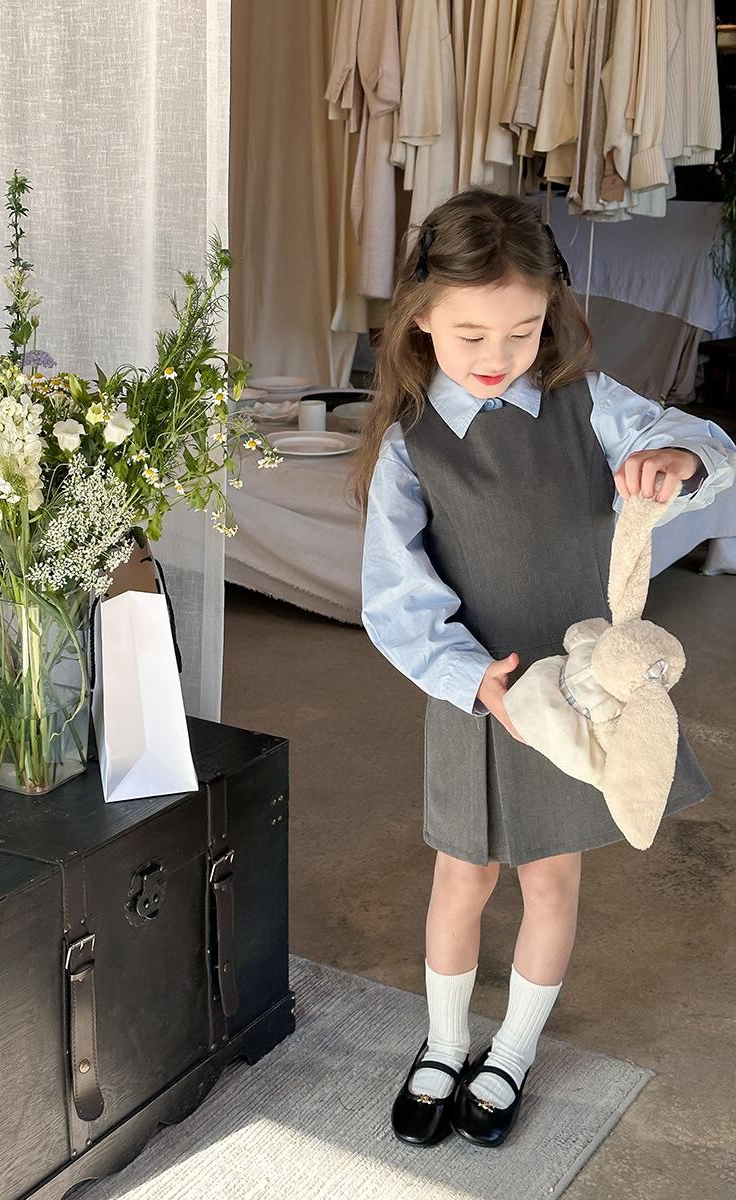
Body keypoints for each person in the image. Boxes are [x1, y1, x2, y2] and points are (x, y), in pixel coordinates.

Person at [350, 188, 736, 1149]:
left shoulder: (586, 403)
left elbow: (704, 444)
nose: (497, 355)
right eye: (471, 334)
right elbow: (396, 596)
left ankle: (513, 1050)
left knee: (553, 884)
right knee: (462, 879)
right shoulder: (410, 446)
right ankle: (445, 1044)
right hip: (477, 698)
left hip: (579, 698)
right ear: (420, 317)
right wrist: (467, 677)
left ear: (548, 316)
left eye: (522, 332)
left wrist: (677, 459)